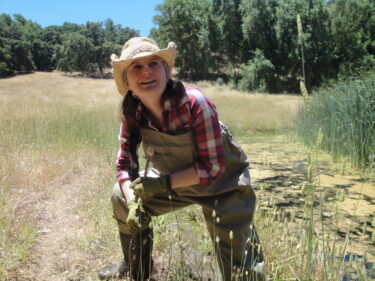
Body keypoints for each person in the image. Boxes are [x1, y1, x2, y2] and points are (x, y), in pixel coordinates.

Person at [98, 37, 264, 281]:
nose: (146, 71)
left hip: (224, 187)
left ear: (166, 71)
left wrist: (162, 184)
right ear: (127, 81)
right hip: (178, 184)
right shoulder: (132, 112)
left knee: (243, 272)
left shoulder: (195, 102)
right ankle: (137, 268)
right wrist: (134, 202)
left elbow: (213, 168)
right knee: (120, 195)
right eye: (136, 66)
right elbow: (124, 164)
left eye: (154, 63)